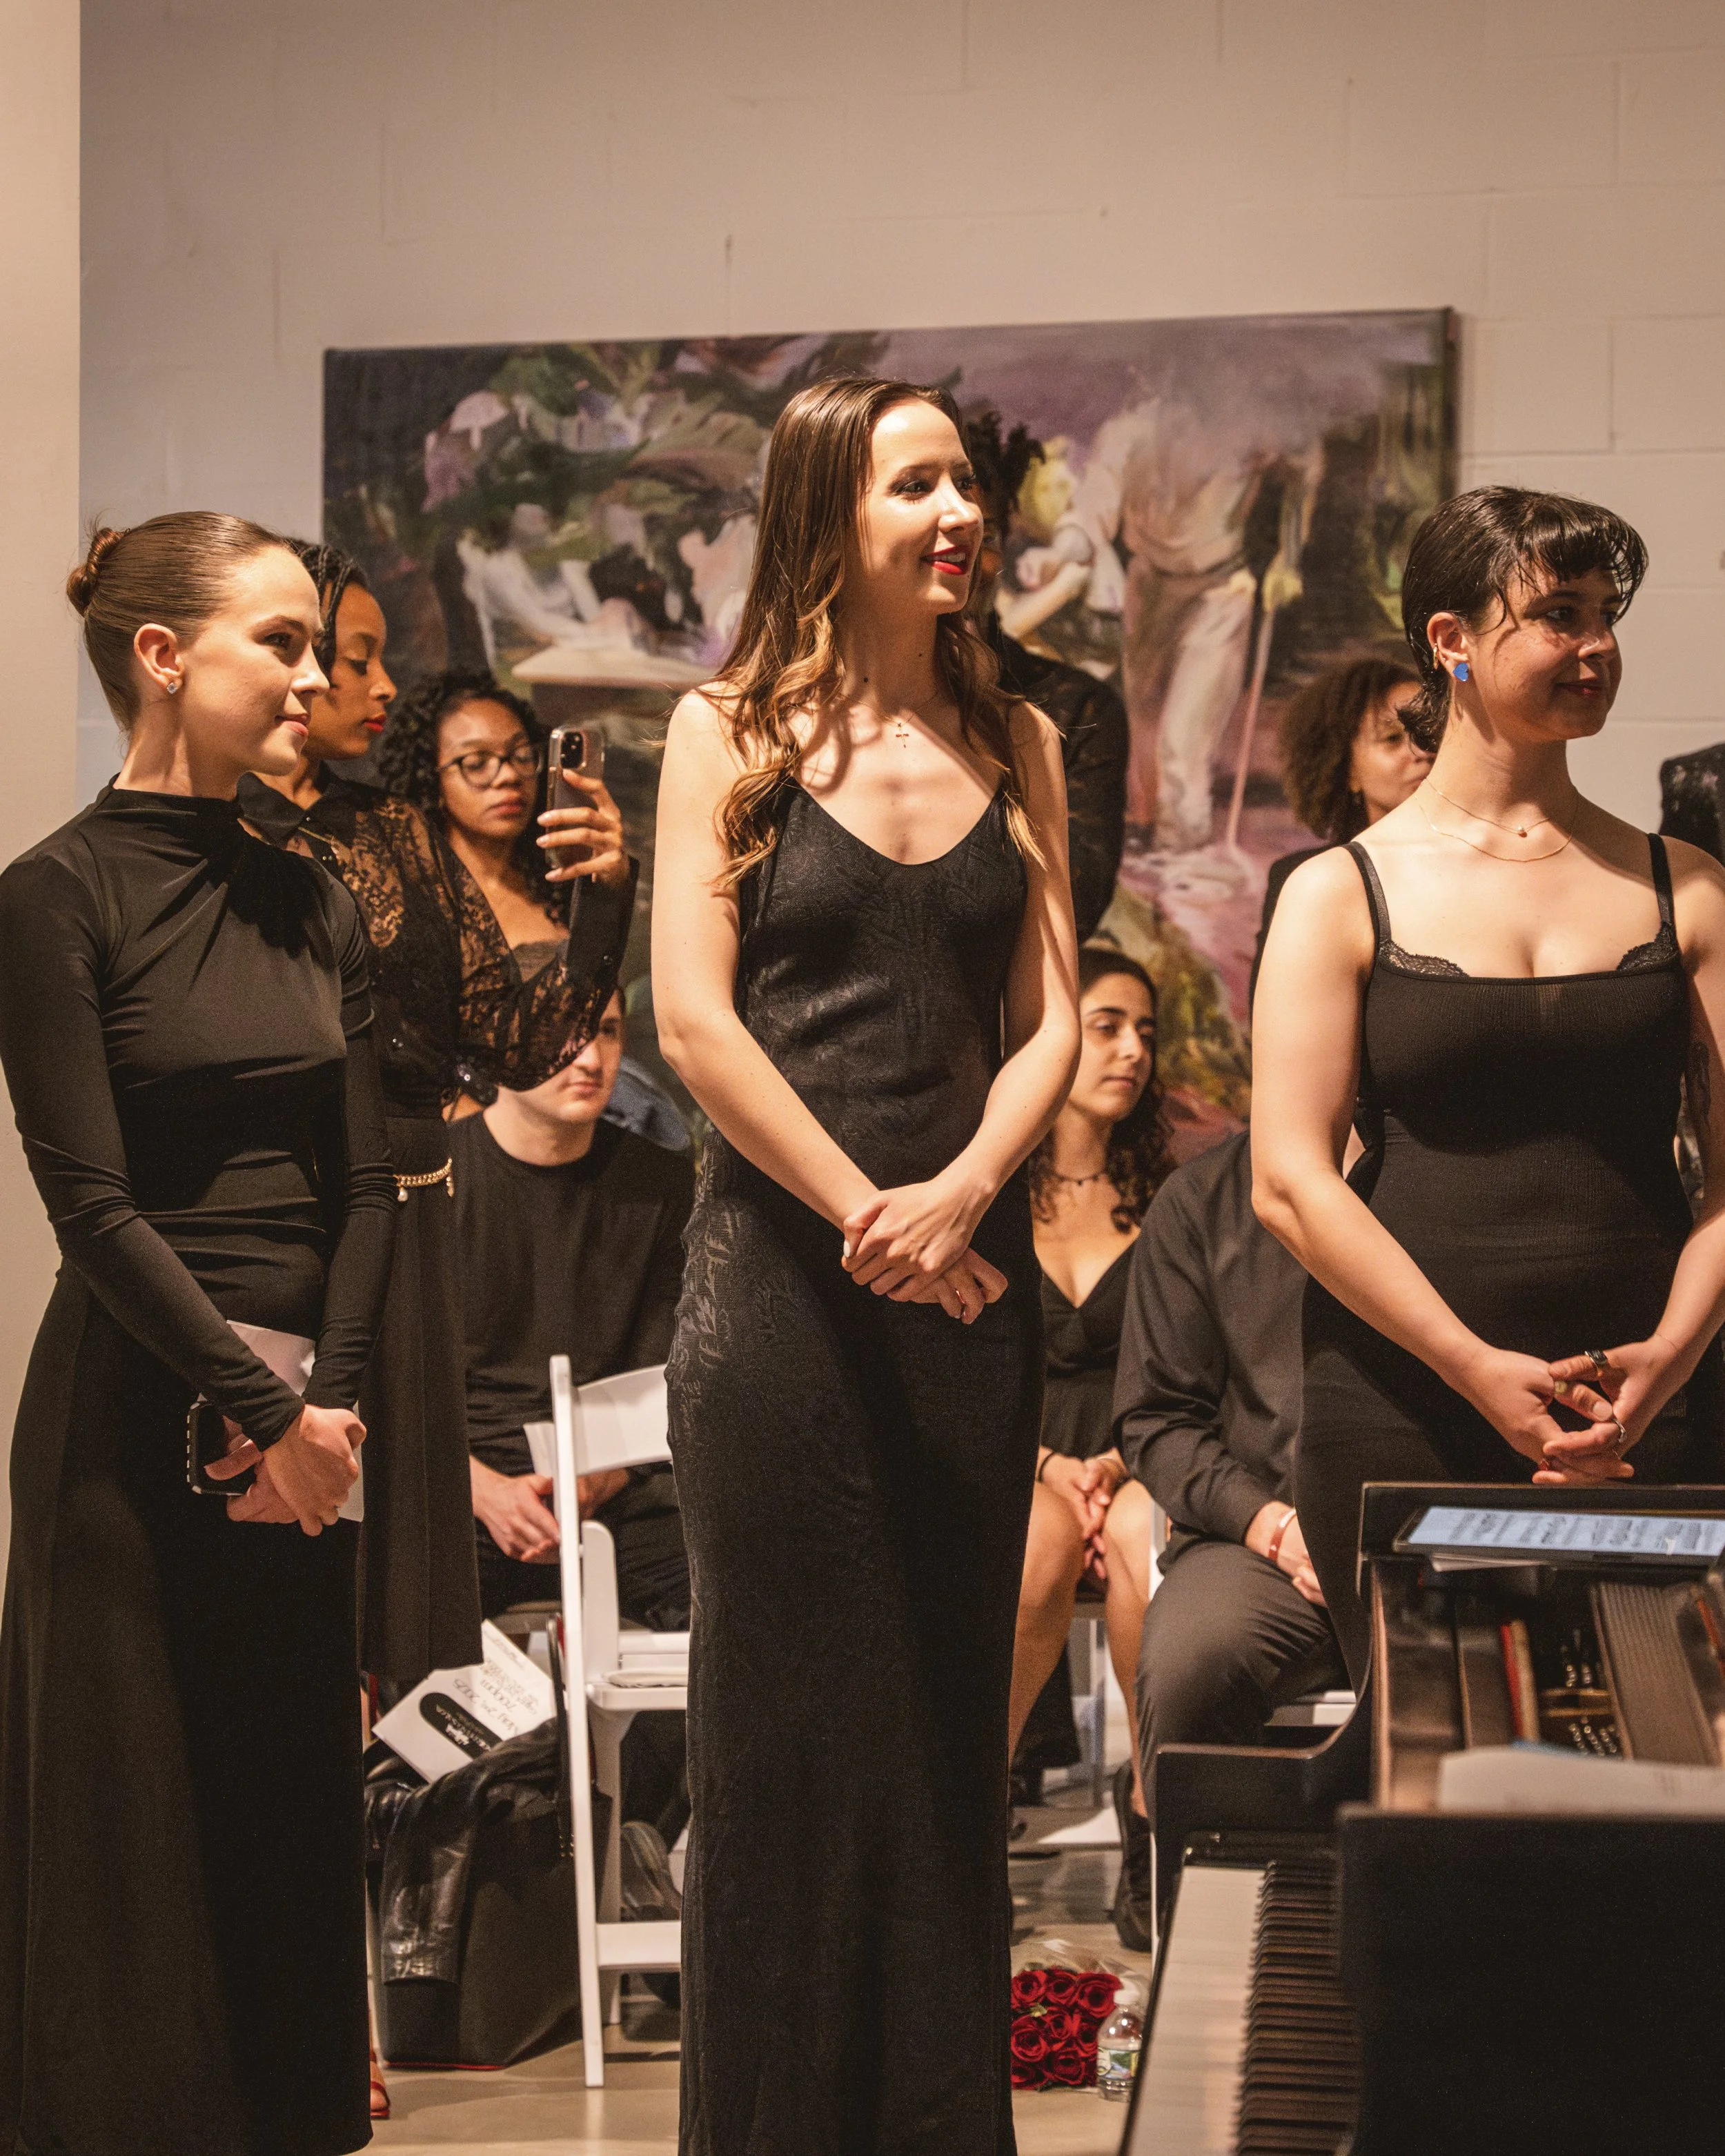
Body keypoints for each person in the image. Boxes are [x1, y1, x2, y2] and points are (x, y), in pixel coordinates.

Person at [653, 376, 1078, 2153]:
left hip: (966, 1301)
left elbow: (1047, 1017)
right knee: (780, 1750)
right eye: (919, 483)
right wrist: (869, 1213)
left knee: (933, 1748)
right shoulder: (724, 727)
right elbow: (691, 1020)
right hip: (777, 1302)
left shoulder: (1022, 737)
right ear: (832, 506)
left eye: (966, 480)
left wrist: (965, 1187)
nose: (959, 511)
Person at [0, 515, 397, 2155]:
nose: (316, 678)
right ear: (163, 656)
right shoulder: (53, 895)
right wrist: (261, 1404)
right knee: (134, 1857)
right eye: (282, 643)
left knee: (279, 1835)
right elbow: (90, 1205)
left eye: (319, 648)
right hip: (135, 1427)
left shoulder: (316, 893)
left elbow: (372, 1184)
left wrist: (332, 1415)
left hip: (301, 1439)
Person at [1253, 486, 1725, 1682]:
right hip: (1402, 1402)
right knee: (1430, 1790)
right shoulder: (1336, 891)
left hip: (1645, 1414)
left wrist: (1665, 1361)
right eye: (1560, 615)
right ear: (1451, 641)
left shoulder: (1691, 888)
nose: (1598, 646)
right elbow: (1290, 1185)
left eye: (1607, 616)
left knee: (1655, 1783)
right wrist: (1475, 1367)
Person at [238, 555, 634, 1690]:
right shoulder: (220, 832)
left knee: (404, 1620)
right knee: (288, 1600)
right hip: (284, 1242)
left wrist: (606, 891)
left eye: (372, 655)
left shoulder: (399, 831)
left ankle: (389, 1861)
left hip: (410, 1231)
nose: (374, 685)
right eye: (353, 657)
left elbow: (516, 1037)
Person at [451, 988, 694, 1881]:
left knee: (749, 1594)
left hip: (610, 1489)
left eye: (604, 1032)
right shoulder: (431, 1178)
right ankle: (479, 1860)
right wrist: (475, 1486)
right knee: (378, 1603)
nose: (588, 1057)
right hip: (462, 1489)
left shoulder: (663, 1183)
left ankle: (632, 1830)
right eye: (559, 1035)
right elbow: (384, 1378)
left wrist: (604, 1477)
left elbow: (678, 1370)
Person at [1103, 1129, 1348, 1945]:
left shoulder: (1451, 1166)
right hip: (1261, 1537)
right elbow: (1157, 1418)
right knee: (1191, 1659)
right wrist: (1272, 1526)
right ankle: (1209, 1961)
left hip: (1429, 1528)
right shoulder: (1202, 1198)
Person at [1006, 950, 1171, 1886]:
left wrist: (1116, 1465)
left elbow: (1193, 1364)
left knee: (1152, 1538)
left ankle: (1151, 1807)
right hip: (1013, 1454)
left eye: (1145, 1031)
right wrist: (1046, 1466)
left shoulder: (1168, 1195)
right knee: (1038, 1546)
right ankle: (971, 1794)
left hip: (1135, 1450)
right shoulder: (986, 1187)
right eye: (1107, 1025)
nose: (1132, 1050)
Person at [965, 411, 1128, 940]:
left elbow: (1070, 911)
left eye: (983, 536)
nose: (961, 557)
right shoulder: (814, 708)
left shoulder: (1072, 710)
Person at [1248, 655, 1430, 1004]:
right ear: (1347, 770)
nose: (1422, 751)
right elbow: (1280, 1024)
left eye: (1430, 733)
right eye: (1393, 738)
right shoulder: (1305, 881)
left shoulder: (1485, 869)